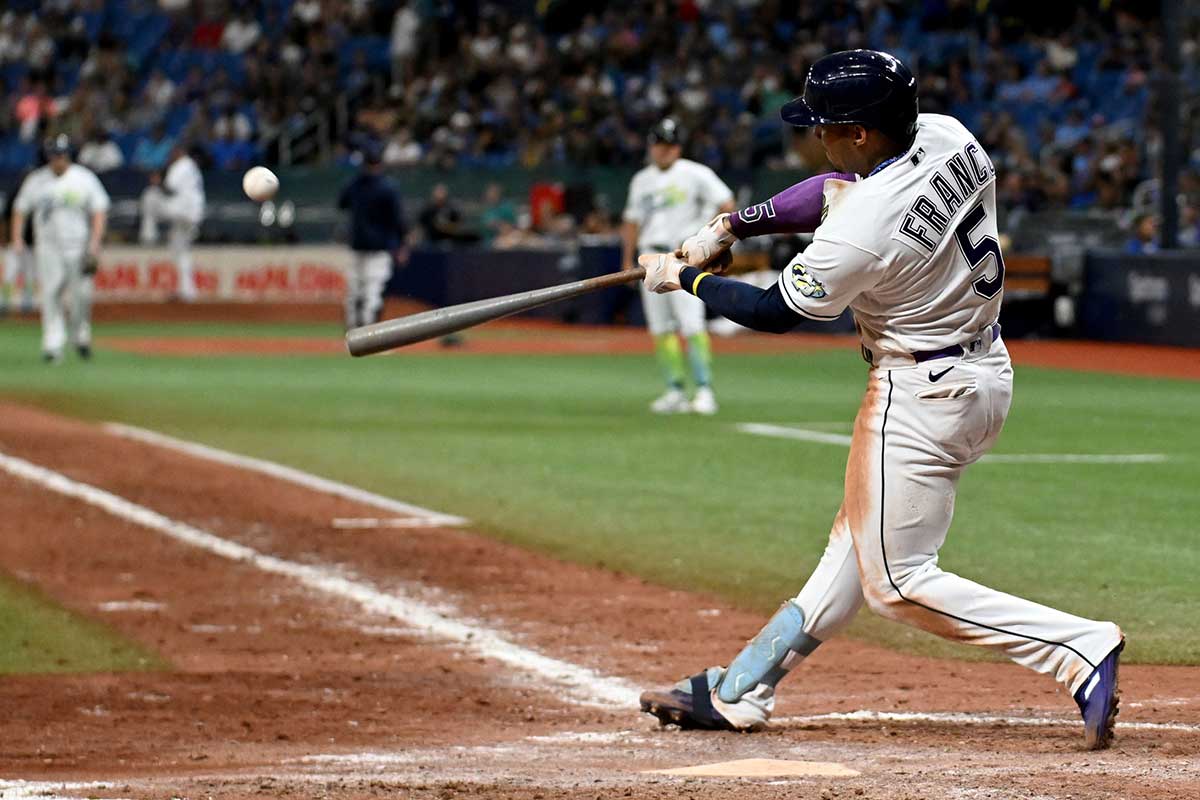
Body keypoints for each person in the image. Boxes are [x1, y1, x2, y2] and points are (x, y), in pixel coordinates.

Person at [636, 50, 1124, 751]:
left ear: (862, 133)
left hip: (917, 389)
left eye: (826, 127)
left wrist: (682, 279)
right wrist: (732, 227)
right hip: (981, 373)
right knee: (858, 543)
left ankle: (1077, 649)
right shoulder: (949, 134)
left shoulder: (865, 226)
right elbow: (832, 187)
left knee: (895, 581)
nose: (816, 138)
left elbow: (775, 309)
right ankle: (742, 687)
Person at [622, 118, 734, 415]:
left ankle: (704, 390)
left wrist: (710, 242)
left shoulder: (696, 173)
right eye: (660, 143)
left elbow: (727, 204)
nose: (665, 150)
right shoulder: (641, 180)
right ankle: (674, 390)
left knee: (692, 325)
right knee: (660, 328)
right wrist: (626, 260)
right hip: (650, 257)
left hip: (683, 258)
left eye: (670, 144)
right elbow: (631, 221)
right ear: (651, 146)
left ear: (678, 147)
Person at [11, 134, 110, 363]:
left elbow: (99, 210)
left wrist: (95, 243)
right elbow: (20, 209)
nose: (58, 159)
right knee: (51, 293)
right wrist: (17, 238)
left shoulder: (84, 179)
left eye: (62, 155)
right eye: (54, 155)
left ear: (69, 155)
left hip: (78, 245)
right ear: (48, 156)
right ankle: (52, 344)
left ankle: (81, 337)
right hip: (48, 246)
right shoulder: (36, 180)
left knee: (81, 295)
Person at [337, 146, 407, 329]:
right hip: (378, 247)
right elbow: (398, 220)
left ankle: (352, 334)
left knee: (356, 291)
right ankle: (370, 335)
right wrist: (401, 245)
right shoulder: (387, 187)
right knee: (372, 291)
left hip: (359, 245)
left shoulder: (354, 184)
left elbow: (341, 203)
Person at [140, 144, 205, 301]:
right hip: (191, 213)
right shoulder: (190, 166)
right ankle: (188, 292)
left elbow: (169, 189)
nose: (170, 156)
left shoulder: (182, 165)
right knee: (181, 252)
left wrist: (157, 181)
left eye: (172, 153)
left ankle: (149, 233)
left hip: (182, 210)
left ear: (179, 152)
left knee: (150, 195)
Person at [2, 170, 37, 316]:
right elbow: (5, 218)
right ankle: (3, 302)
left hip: (31, 243)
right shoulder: (15, 194)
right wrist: (4, 238)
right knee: (9, 273)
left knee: (30, 275)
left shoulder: (38, 195)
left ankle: (27, 303)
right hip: (13, 242)